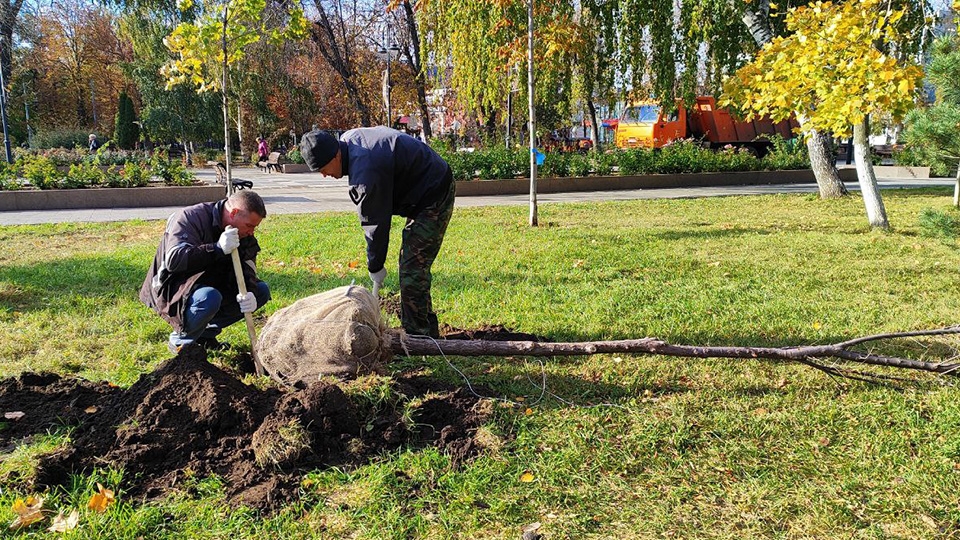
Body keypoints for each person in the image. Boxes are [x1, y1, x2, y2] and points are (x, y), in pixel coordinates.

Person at [300, 127, 455, 338]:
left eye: (323, 168)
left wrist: (375, 265)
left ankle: (419, 336)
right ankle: (425, 327)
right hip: (421, 188)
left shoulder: (366, 173)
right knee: (411, 264)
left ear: (336, 154)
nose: (324, 174)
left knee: (412, 268)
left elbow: (375, 224)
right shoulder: (347, 143)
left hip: (435, 192)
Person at [140, 190, 271, 353]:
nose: (251, 232)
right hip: (175, 287)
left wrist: (250, 292)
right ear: (234, 213)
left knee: (261, 291)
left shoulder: (243, 233)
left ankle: (204, 335)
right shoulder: (190, 217)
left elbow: (248, 264)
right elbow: (175, 261)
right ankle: (181, 341)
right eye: (250, 226)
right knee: (209, 297)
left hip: (210, 282)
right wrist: (216, 248)